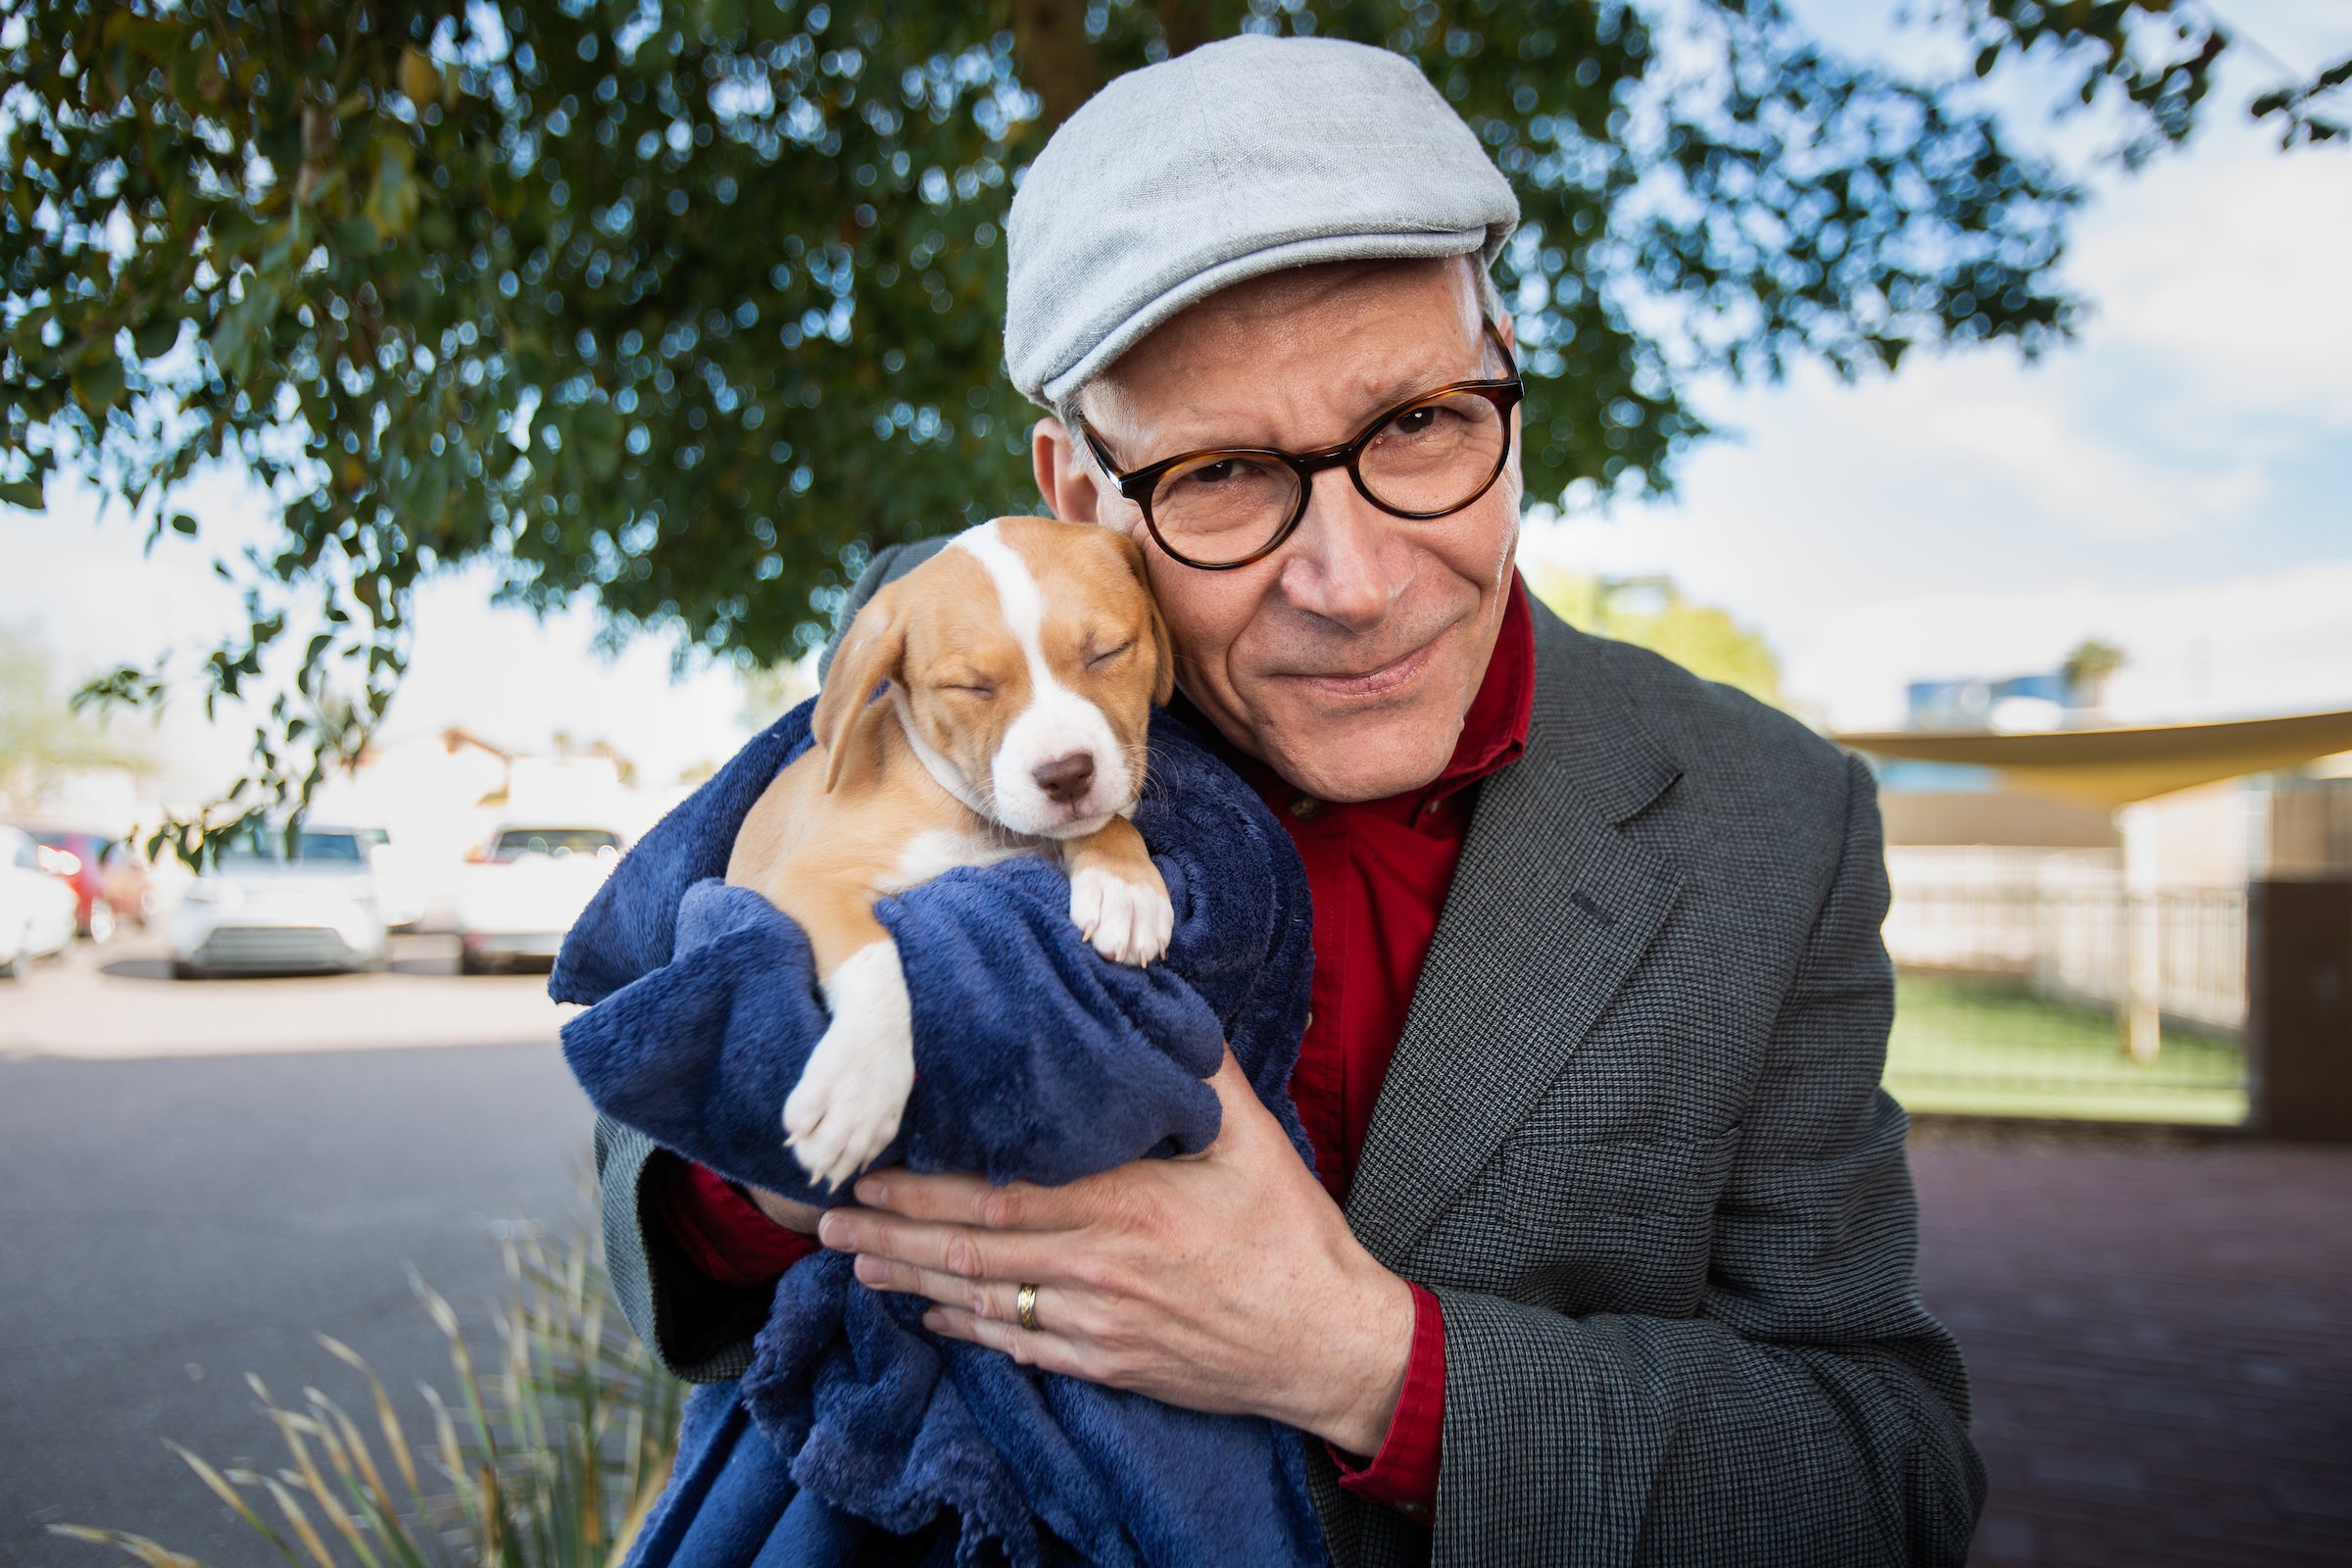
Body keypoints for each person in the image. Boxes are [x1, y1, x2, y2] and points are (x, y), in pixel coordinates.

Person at [594, 33, 1984, 1567]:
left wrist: (1366, 1363)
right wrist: (784, 1169)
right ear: (1082, 498)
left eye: (1422, 424)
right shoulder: (950, 671)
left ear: (1510, 388)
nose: (1355, 582)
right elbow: (652, 1169)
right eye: (1225, 475)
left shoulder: (1772, 822)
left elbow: (1883, 1473)